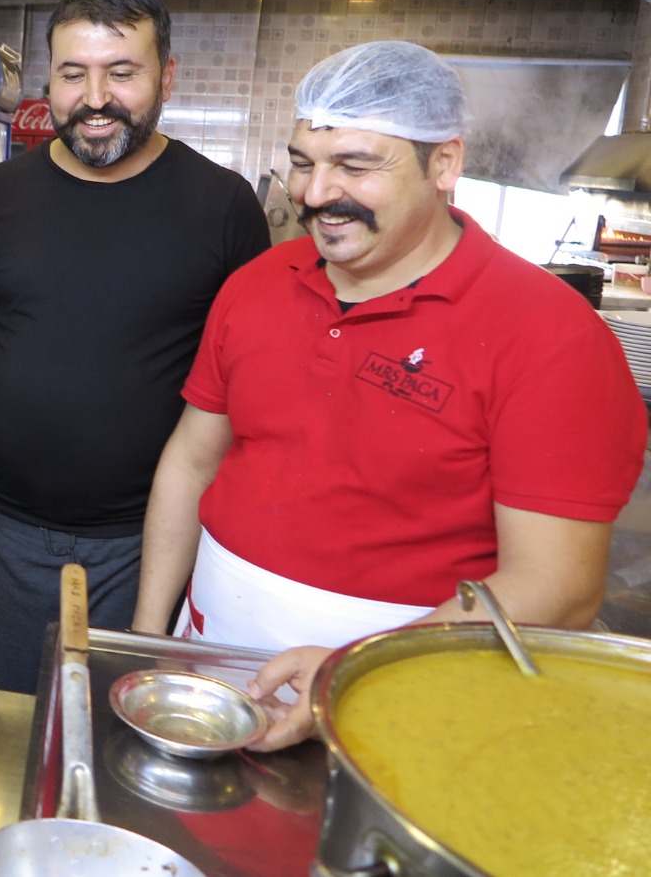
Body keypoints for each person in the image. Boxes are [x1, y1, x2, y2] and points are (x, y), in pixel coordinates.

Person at [131, 39, 648, 748]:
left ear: (444, 163)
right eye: (304, 163)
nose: (314, 195)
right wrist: (149, 634)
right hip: (213, 664)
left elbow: (559, 583)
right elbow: (192, 459)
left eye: (355, 165)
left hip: (417, 700)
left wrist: (354, 675)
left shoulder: (548, 333)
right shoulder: (256, 284)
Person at [0, 0, 270, 693]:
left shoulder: (223, 207)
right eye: (73, 74)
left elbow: (253, 392)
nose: (95, 99)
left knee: (116, 747)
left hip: (144, 545)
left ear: (166, 76)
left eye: (121, 72)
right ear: (49, 81)